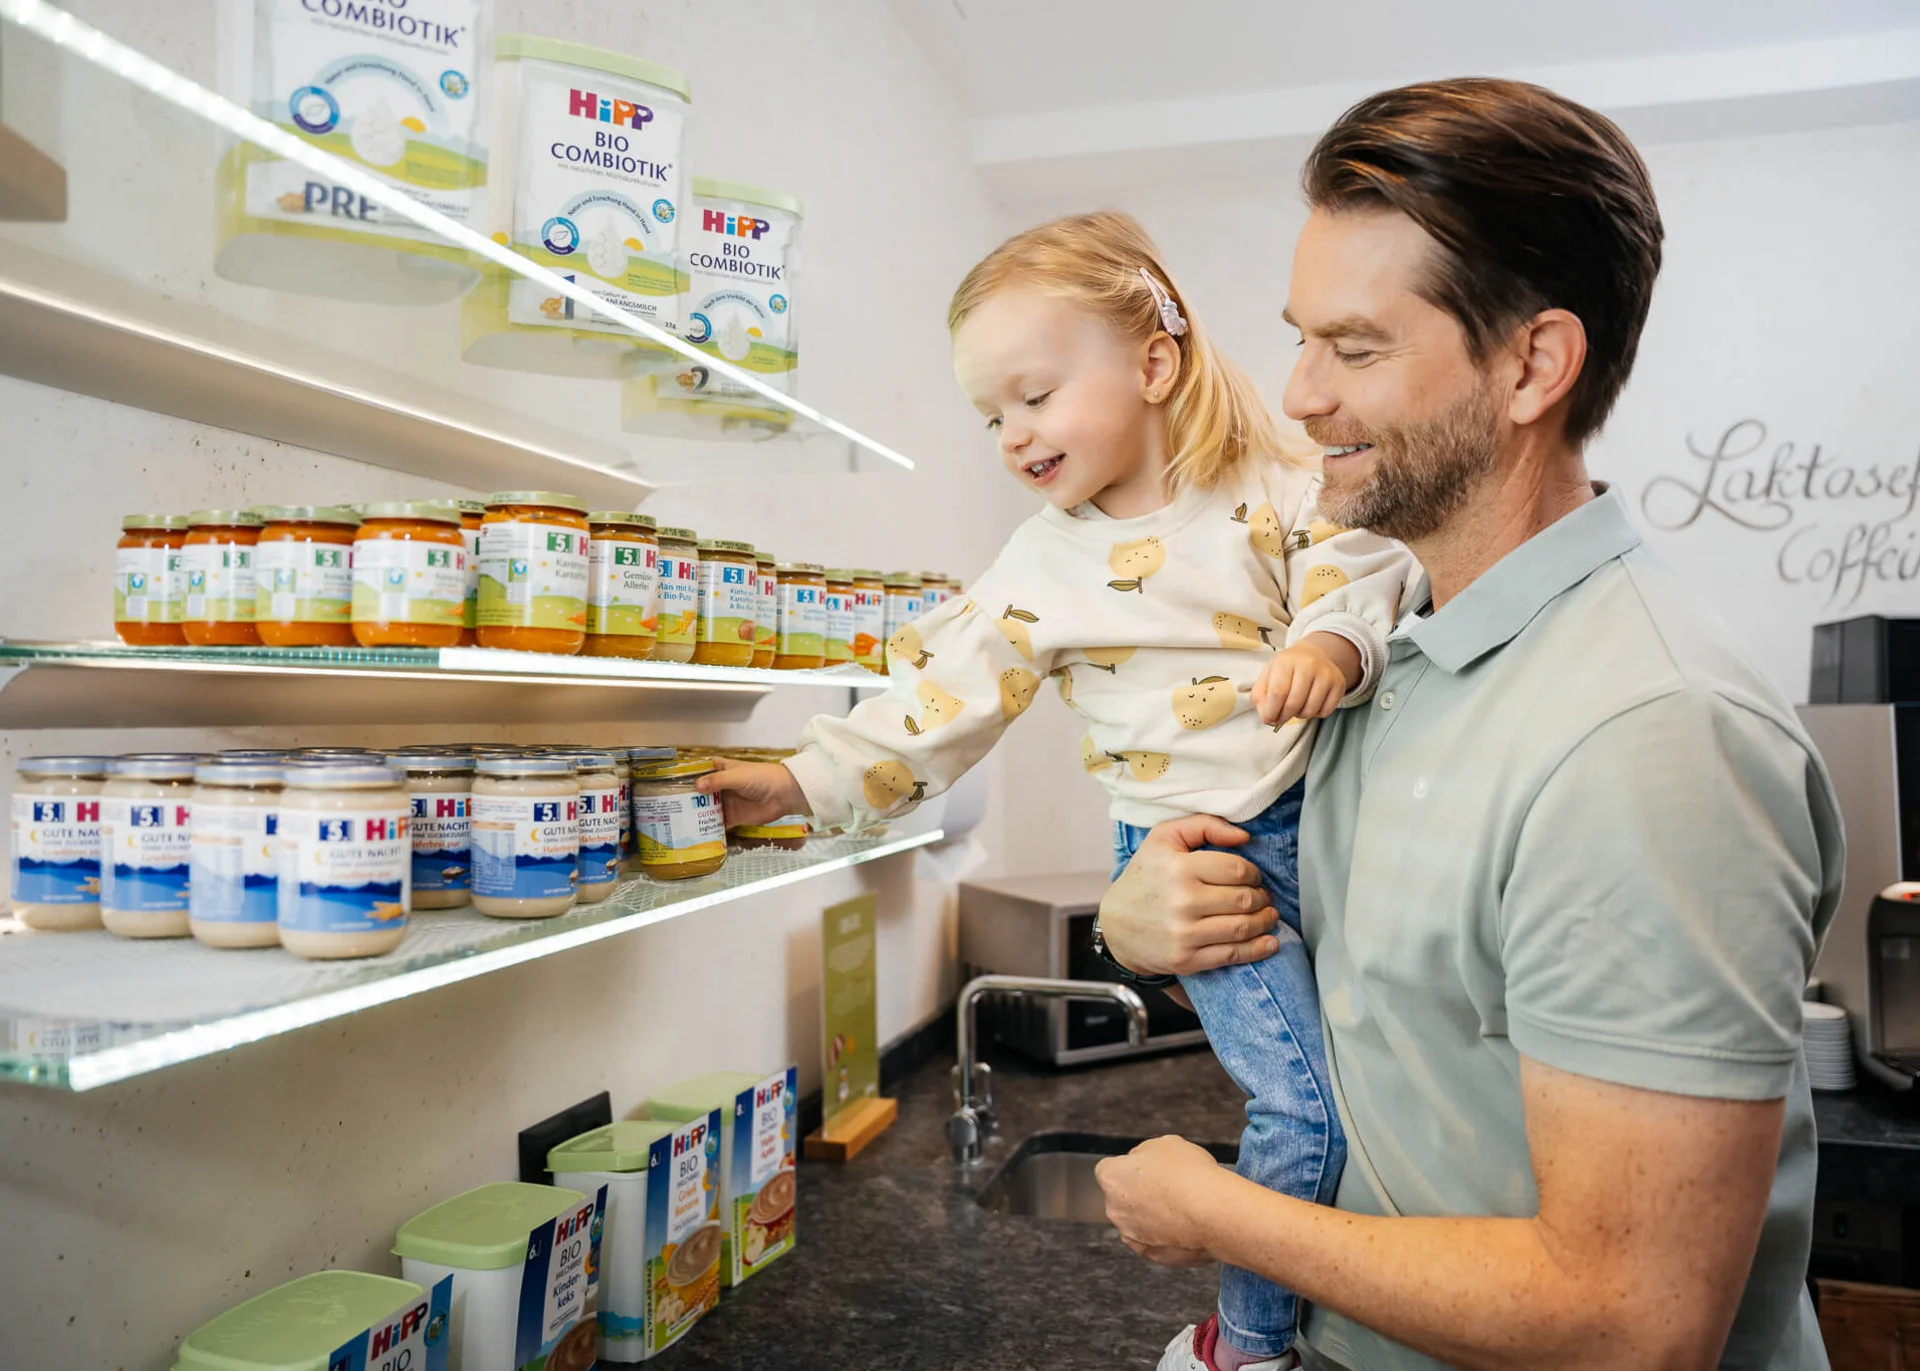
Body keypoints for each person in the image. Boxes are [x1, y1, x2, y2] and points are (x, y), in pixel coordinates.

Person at [1092, 78, 1844, 1371]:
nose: (1300, 395)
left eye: (1357, 347)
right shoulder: (1387, 652)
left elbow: (1629, 1317)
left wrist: (1223, 1214)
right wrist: (1141, 921)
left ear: (1532, 365)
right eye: (1302, 339)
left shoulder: (1649, 735)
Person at [699, 210, 1414, 1371]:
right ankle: (1247, 1347)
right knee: (1303, 1110)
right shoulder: (1040, 564)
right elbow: (931, 708)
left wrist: (1334, 645)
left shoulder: (1277, 486)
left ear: (1153, 362)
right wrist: (789, 780)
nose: (1012, 434)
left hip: (1323, 822)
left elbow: (1361, 565)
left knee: (1369, 1093)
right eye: (991, 415)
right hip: (1189, 852)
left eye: (1032, 395)